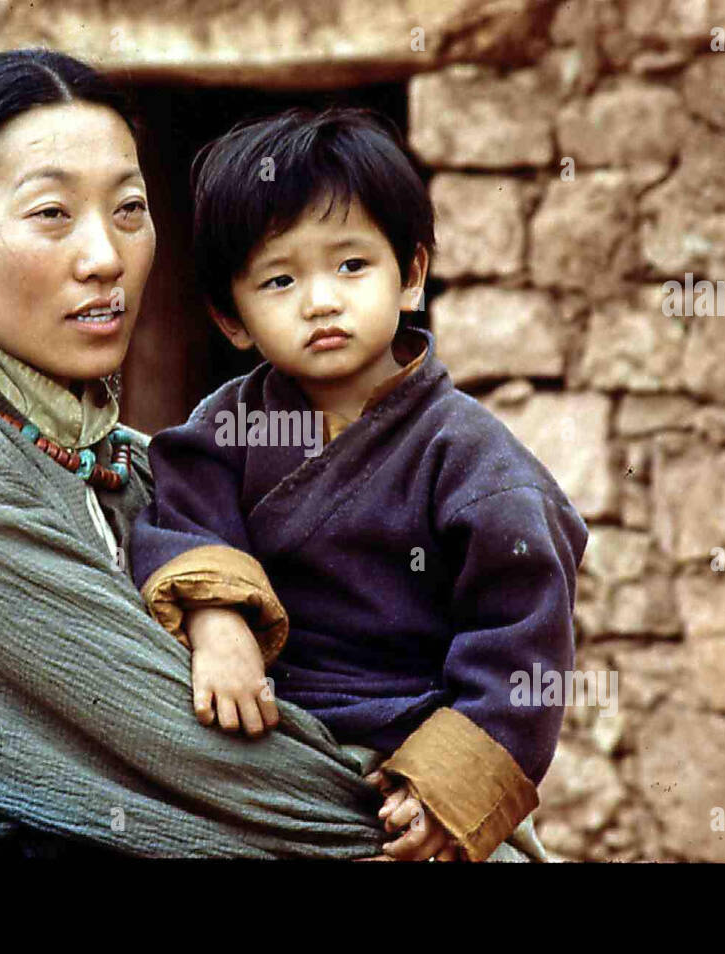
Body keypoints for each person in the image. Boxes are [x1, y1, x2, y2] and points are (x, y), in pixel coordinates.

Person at [0, 49, 407, 861]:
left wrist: (461, 768)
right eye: (52, 214)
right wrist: (426, 819)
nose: (105, 257)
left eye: (129, 209)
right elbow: (198, 755)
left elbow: (356, 666)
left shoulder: (129, 467)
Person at [130, 108, 589, 862]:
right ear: (232, 318)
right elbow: (184, 514)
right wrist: (217, 622)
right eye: (280, 280)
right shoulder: (231, 426)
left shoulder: (469, 457)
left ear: (410, 276)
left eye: (351, 266)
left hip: (402, 756)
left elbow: (521, 638)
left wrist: (450, 786)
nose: (320, 301)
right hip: (263, 735)